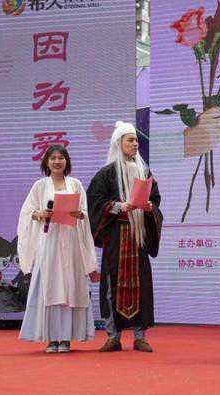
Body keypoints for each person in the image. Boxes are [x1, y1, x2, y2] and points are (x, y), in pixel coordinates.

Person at [87, 121, 163, 352]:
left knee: (141, 285)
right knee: (112, 286)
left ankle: (140, 336)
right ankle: (113, 336)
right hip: (116, 238)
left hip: (138, 236)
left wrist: (150, 208)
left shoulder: (145, 172)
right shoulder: (106, 173)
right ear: (118, 143)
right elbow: (95, 203)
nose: (135, 144)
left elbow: (156, 200)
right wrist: (119, 207)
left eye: (136, 140)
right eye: (130, 140)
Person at [17, 145, 100, 353]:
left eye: (61, 157)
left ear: (67, 161)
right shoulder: (40, 186)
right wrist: (40, 214)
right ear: (46, 162)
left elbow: (85, 213)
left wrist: (80, 215)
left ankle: (66, 338)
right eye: (53, 158)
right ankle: (52, 338)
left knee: (70, 287)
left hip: (71, 243)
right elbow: (27, 212)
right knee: (51, 286)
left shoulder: (76, 184)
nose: (57, 161)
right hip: (49, 243)